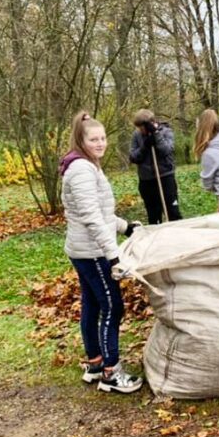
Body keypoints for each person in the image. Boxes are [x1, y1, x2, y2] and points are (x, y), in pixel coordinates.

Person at [59, 111, 143, 394]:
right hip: (92, 252)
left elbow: (102, 214)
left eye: (103, 138)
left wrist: (126, 227)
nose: (100, 143)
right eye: (93, 139)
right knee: (112, 306)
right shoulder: (82, 169)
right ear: (81, 141)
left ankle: (95, 364)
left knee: (92, 305)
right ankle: (111, 372)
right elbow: (92, 218)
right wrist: (113, 256)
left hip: (86, 248)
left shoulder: (87, 166)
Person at [129, 109, 183, 224]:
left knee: (173, 213)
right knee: (153, 216)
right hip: (147, 181)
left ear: (150, 123)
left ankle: (178, 237)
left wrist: (156, 135)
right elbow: (133, 157)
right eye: (138, 127)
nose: (139, 130)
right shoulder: (136, 135)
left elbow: (166, 151)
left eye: (141, 127)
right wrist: (145, 146)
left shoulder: (166, 131)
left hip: (165, 178)